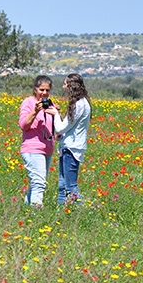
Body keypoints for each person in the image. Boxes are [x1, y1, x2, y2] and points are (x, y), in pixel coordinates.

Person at [19, 75, 60, 207]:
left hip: (47, 149)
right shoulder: (28, 103)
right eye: (41, 89)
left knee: (36, 183)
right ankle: (37, 214)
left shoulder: (49, 103)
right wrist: (35, 111)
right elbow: (23, 125)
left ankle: (26, 212)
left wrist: (56, 114)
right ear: (35, 89)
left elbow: (54, 127)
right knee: (39, 183)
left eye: (47, 90)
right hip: (33, 148)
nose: (44, 93)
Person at [53, 73, 92, 205]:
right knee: (62, 185)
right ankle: (60, 213)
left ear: (71, 86)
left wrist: (55, 114)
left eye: (65, 84)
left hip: (71, 148)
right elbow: (70, 127)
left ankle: (79, 211)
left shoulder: (79, 104)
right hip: (70, 146)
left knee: (70, 186)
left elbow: (60, 127)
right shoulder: (82, 103)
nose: (63, 86)